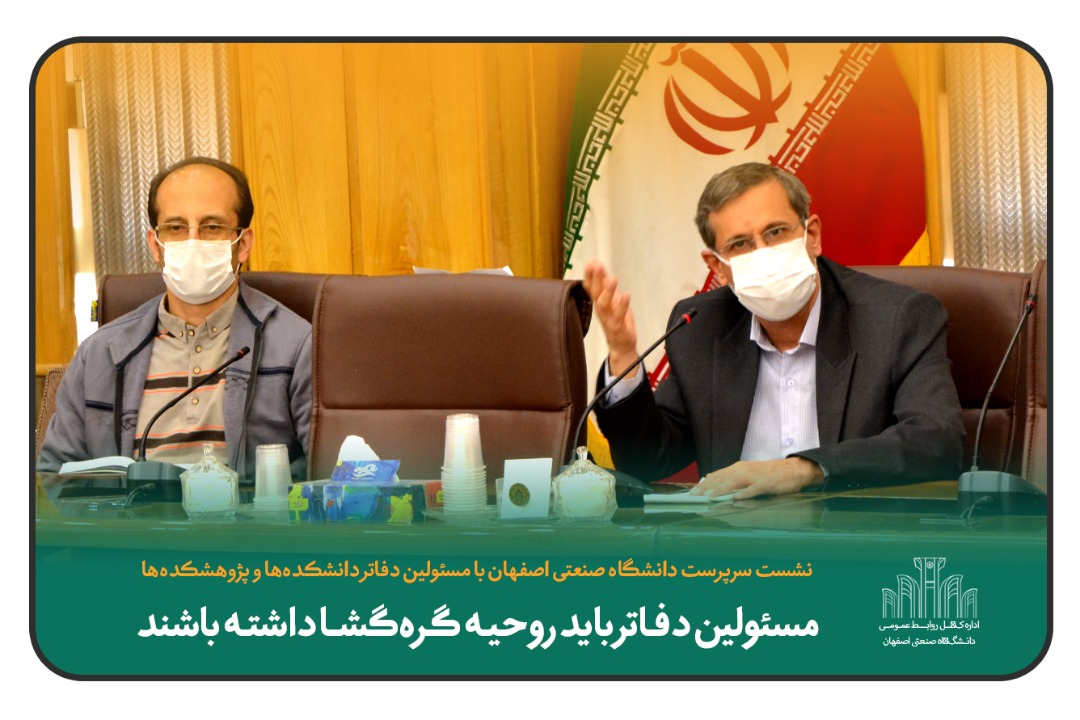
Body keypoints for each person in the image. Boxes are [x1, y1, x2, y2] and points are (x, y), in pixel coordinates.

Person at [583, 162, 963, 499]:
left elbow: (937, 441)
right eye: (740, 244)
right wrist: (623, 357)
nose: (762, 252)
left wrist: (804, 470)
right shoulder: (700, 326)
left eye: (776, 232)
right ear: (718, 268)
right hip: (734, 544)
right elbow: (648, 460)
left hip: (853, 539)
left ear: (812, 236)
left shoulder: (897, 319)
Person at [37, 157, 311, 481]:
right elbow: (51, 481)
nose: (192, 242)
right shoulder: (98, 354)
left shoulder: (297, 346)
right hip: (132, 515)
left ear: (243, 244)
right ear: (155, 245)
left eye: (212, 227)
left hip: (247, 516)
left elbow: (324, 472)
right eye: (176, 228)